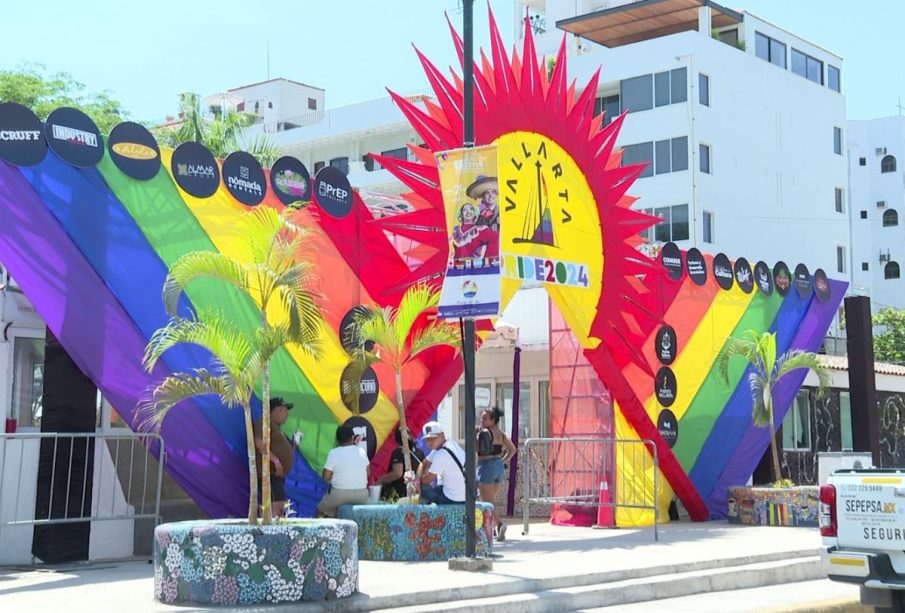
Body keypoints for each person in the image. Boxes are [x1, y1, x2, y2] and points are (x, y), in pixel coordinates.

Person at [253, 397, 299, 518]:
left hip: (276, 475)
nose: (287, 414)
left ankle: (275, 533)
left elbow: (285, 450)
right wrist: (276, 461)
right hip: (269, 473)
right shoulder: (264, 423)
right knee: (274, 507)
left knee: (279, 507)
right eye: (285, 411)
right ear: (277, 410)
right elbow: (259, 443)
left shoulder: (277, 428)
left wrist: (294, 443)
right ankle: (268, 534)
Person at [477, 406, 517, 541]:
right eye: (481, 417)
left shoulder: (485, 433)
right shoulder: (501, 433)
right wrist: (503, 461)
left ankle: (499, 524)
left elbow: (478, 449)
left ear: (493, 420)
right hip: (498, 466)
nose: (482, 420)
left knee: (486, 500)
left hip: (486, 466)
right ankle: (493, 527)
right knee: (491, 500)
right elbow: (512, 449)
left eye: (485, 418)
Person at [317, 425, 370, 517]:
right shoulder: (361, 451)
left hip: (339, 495)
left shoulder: (333, 453)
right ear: (352, 437)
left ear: (337, 440)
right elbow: (368, 473)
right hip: (362, 495)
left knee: (320, 511)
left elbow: (325, 476)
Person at [415, 421, 466, 504]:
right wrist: (417, 478)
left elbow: (426, 480)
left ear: (442, 436)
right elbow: (423, 463)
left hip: (453, 500)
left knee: (423, 487)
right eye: (427, 439)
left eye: (433, 438)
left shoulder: (441, 454)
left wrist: (417, 482)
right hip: (466, 495)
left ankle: (427, 514)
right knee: (435, 488)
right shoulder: (450, 444)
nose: (430, 442)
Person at [374, 427, 425, 501]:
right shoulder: (420, 452)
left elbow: (397, 473)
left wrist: (382, 480)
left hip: (400, 493)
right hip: (416, 493)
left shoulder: (399, 452)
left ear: (396, 439)